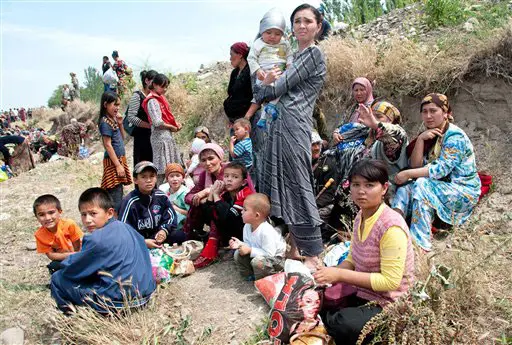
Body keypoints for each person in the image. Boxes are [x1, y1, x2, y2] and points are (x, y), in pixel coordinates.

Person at [255, 4, 326, 269]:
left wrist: (265, 85)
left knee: (299, 184)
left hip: (295, 126)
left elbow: (276, 88)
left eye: (308, 21)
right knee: (283, 188)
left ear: (318, 26)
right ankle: (295, 247)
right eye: (296, 21)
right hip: (279, 125)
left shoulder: (313, 54)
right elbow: (266, 91)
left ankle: (313, 253)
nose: (301, 25)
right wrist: (265, 87)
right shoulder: (293, 56)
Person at [314, 159, 414, 345]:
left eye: (369, 185)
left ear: (384, 188)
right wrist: (332, 274)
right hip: (364, 291)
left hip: (389, 302)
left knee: (342, 323)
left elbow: (390, 281)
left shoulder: (391, 227)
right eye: (356, 185)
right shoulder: (361, 215)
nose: (361, 191)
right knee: (318, 300)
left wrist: (340, 274)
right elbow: (353, 257)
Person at [392, 93, 481, 251]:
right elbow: (415, 164)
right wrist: (420, 140)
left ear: (446, 113)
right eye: (424, 111)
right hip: (440, 187)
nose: (428, 116)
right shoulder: (431, 135)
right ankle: (392, 230)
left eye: (433, 111)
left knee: (420, 184)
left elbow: (440, 170)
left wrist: (407, 174)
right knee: (406, 189)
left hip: (463, 191)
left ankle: (419, 245)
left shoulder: (455, 136)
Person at [51, 188, 156, 313]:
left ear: (110, 213)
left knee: (57, 278)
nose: (87, 220)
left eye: (93, 213)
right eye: (83, 214)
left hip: (118, 303)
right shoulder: (126, 227)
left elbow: (73, 271)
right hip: (145, 296)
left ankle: (70, 317)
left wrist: (61, 265)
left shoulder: (96, 239)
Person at [118, 161, 186, 249]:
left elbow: (171, 217)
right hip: (139, 240)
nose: (149, 180)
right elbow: (123, 229)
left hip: (157, 237)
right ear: (135, 180)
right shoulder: (130, 201)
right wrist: (143, 242)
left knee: (180, 235)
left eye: (152, 176)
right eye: (143, 177)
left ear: (156, 178)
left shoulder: (161, 196)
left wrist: (163, 231)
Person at [246, 8, 293, 129]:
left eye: (277, 34)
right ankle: (263, 113)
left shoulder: (285, 43)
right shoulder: (258, 44)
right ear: (262, 31)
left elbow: (289, 55)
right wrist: (257, 70)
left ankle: (264, 116)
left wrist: (289, 65)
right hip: (264, 74)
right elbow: (251, 58)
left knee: (280, 90)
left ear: (282, 34)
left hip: (280, 73)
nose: (272, 36)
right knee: (262, 95)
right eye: (269, 33)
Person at [183, 144, 228, 267]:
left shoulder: (230, 170)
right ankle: (194, 238)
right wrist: (204, 195)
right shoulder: (204, 175)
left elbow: (227, 194)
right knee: (196, 205)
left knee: (214, 205)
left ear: (220, 158)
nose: (207, 163)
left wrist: (208, 191)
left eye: (211, 158)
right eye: (203, 160)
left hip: (235, 214)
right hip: (217, 211)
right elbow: (188, 197)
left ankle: (212, 246)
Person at [229, 193, 285, 280]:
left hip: (276, 259)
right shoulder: (247, 226)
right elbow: (248, 244)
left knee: (257, 262)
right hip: (259, 255)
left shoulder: (266, 231)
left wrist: (250, 250)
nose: (241, 211)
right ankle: (250, 275)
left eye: (245, 210)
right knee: (237, 254)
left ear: (256, 215)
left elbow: (270, 254)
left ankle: (268, 278)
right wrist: (239, 244)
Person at [142, 73, 182, 186]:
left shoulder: (159, 99)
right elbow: (157, 122)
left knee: (170, 169)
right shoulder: (152, 100)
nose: (164, 89)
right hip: (160, 138)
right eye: (162, 86)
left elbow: (165, 119)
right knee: (162, 170)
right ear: (154, 85)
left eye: (166, 87)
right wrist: (171, 127)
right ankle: (159, 194)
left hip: (165, 137)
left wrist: (175, 125)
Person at [204, 161, 254, 250]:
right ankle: (227, 242)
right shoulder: (225, 195)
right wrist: (212, 193)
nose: (229, 179)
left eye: (235, 177)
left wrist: (216, 195)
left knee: (225, 213)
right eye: (226, 176)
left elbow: (230, 216)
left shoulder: (245, 194)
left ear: (243, 182)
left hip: (248, 232)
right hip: (233, 229)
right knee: (216, 213)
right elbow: (208, 215)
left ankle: (238, 243)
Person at [98, 91, 132, 213]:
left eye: (118, 105)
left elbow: (121, 139)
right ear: (105, 105)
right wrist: (118, 165)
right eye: (114, 104)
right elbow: (107, 144)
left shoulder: (112, 120)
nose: (117, 108)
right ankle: (113, 221)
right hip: (113, 163)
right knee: (115, 194)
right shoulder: (105, 122)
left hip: (117, 160)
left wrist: (121, 124)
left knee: (117, 192)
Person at [33, 194, 83, 274]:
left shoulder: (69, 224)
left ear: (60, 211)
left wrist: (77, 256)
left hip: (80, 256)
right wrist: (71, 256)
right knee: (53, 266)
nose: (47, 218)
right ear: (36, 217)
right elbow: (51, 255)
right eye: (41, 214)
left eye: (51, 212)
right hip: (64, 259)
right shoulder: (39, 235)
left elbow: (77, 245)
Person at [126, 70, 158, 167]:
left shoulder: (154, 97)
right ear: (146, 81)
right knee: (142, 164)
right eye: (154, 82)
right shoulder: (137, 96)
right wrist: (148, 126)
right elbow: (131, 117)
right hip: (141, 137)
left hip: (153, 136)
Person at [333, 77, 374, 146]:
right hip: (346, 144)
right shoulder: (352, 108)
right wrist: (336, 133)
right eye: (356, 90)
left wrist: (345, 135)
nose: (358, 93)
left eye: (362, 90)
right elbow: (342, 124)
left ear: (368, 90)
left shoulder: (374, 107)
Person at [223, 42, 253, 125]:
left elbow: (256, 97)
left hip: (246, 120)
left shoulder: (251, 71)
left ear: (240, 55)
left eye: (231, 55)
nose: (230, 58)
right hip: (234, 120)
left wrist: (246, 118)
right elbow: (231, 94)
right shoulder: (235, 73)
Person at [159, 163, 190, 231]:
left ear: (182, 178)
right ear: (167, 179)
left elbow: (191, 213)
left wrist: (176, 208)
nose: (175, 179)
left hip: (182, 224)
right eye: (171, 176)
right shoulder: (165, 190)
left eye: (178, 175)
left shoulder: (185, 193)